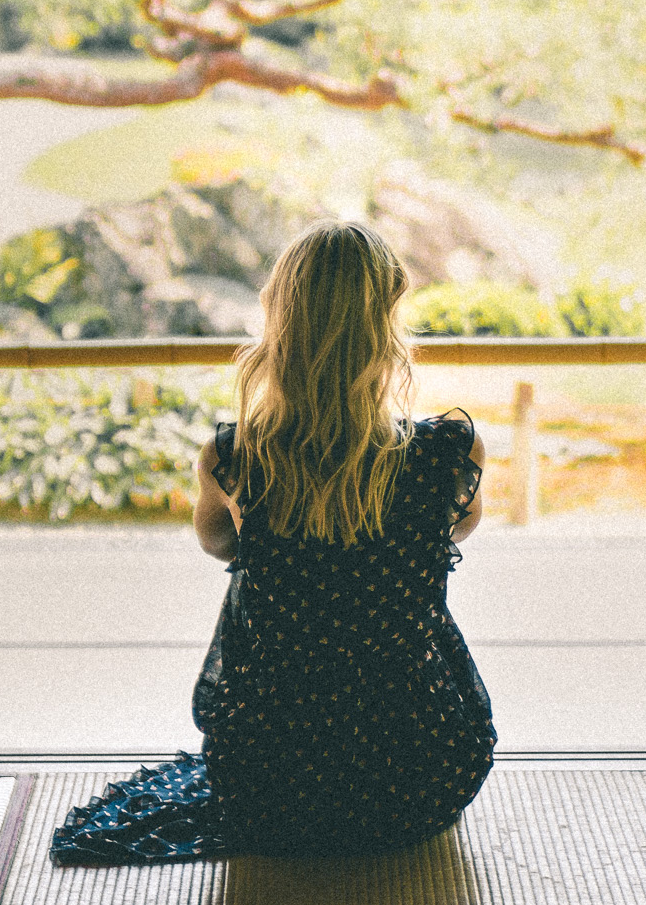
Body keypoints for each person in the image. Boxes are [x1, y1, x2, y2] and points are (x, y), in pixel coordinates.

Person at [51, 221, 494, 864]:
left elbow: (217, 544)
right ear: (387, 325)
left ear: (279, 322)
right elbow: (457, 526)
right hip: (422, 777)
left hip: (270, 784)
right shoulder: (449, 451)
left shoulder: (237, 456)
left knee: (255, 589)